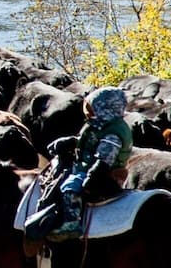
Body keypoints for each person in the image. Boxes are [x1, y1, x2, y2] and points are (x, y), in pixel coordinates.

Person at [25, 87, 133, 242]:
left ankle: (71, 223)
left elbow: (104, 159)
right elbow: (90, 141)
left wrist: (91, 176)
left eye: (92, 108)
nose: (89, 113)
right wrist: (71, 142)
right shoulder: (100, 126)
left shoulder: (114, 133)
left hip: (104, 175)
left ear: (105, 108)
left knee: (70, 187)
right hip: (87, 166)